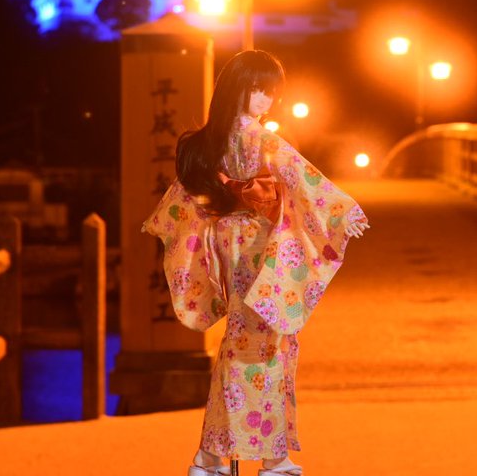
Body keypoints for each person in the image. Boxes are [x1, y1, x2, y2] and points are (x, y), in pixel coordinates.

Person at [142, 50, 369, 476]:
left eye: (271, 92)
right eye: (258, 89)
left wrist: (177, 227)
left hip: (227, 239)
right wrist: (342, 213)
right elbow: (302, 178)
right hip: (257, 244)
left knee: (245, 341)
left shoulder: (208, 142)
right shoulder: (261, 139)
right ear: (237, 90)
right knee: (264, 346)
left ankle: (224, 457)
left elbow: (182, 198)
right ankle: (242, 457)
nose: (266, 100)